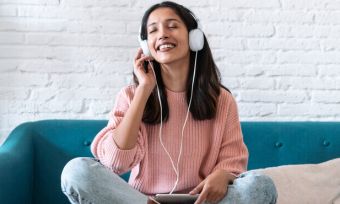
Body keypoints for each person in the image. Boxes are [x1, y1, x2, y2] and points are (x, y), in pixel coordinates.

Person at [61, 1, 277, 204]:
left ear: (195, 38)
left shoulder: (221, 99)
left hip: (201, 200)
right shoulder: (131, 95)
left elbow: (233, 159)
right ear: (146, 46)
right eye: (153, 30)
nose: (162, 34)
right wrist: (144, 89)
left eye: (172, 26)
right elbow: (116, 163)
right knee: (76, 171)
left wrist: (222, 175)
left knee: (261, 185)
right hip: (144, 200)